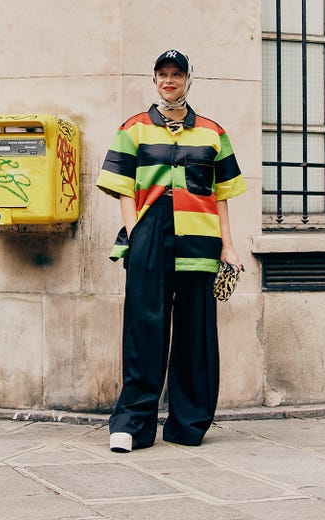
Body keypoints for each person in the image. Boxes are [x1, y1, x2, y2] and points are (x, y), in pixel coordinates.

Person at [97, 49, 246, 452]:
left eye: (176, 74)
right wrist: (136, 232)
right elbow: (123, 187)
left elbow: (222, 195)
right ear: (154, 80)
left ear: (188, 80)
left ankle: (188, 423)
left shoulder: (213, 133)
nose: (169, 80)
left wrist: (228, 247)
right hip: (150, 232)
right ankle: (132, 424)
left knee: (196, 334)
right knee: (144, 329)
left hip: (201, 237)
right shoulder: (134, 128)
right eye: (162, 74)